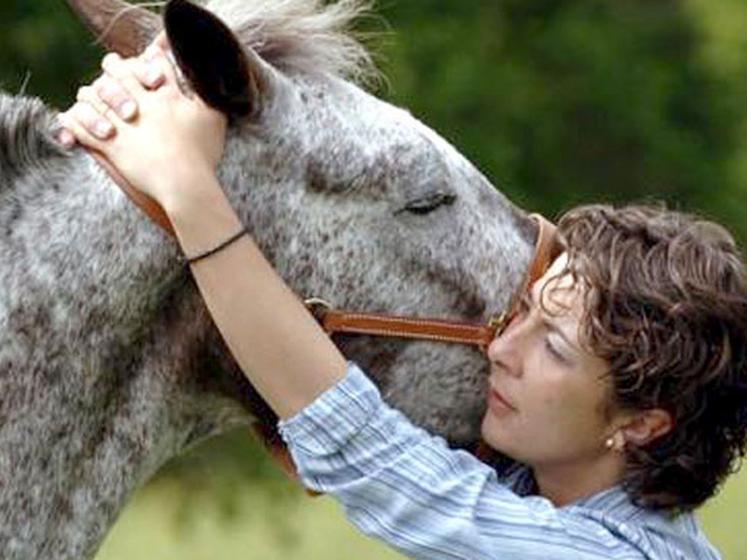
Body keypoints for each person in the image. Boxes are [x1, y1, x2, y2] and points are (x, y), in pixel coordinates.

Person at [58, 42, 747, 559]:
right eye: (531, 312)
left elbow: (370, 454)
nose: (501, 345)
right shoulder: (555, 483)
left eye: (554, 349)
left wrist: (186, 188)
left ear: (642, 426)